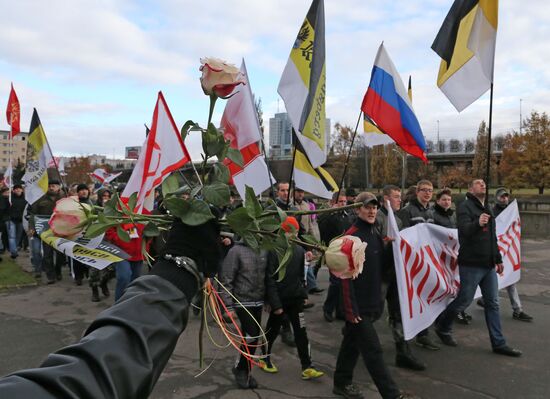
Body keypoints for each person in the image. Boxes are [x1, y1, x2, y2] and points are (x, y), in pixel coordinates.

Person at [0, 215, 222, 398]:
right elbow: (89, 381)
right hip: (134, 266)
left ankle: (124, 302)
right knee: (125, 279)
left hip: (139, 260)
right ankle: (119, 301)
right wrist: (177, 270)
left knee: (133, 279)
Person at [333, 192, 412, 399]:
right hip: (357, 308)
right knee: (373, 351)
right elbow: (344, 278)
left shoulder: (375, 232)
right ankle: (392, 394)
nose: (372, 211)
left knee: (351, 345)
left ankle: (341, 382)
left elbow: (380, 267)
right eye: (367, 207)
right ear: (357, 209)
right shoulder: (351, 237)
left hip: (369, 303)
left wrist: (390, 249)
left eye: (375, 207)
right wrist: (351, 312)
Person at [435, 179, 522, 357]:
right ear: (470, 188)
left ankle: (499, 343)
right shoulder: (464, 206)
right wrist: (478, 223)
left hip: (488, 264)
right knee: (464, 300)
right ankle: (443, 325)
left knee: (493, 303)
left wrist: (497, 258)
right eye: (478, 183)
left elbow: (492, 237)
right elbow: (464, 231)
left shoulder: (487, 207)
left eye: (484, 183)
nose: (482, 184)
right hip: (471, 263)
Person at [377, 185, 426, 371]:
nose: (400, 200)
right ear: (386, 199)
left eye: (400, 197)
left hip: (396, 274)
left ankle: (402, 352)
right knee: (373, 312)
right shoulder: (378, 218)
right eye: (396, 197)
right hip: (381, 275)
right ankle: (355, 342)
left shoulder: (398, 219)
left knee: (398, 313)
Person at [260, 242, 324, 381]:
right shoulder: (273, 250)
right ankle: (264, 358)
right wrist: (275, 304)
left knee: (301, 332)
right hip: (280, 300)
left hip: (295, 300)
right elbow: (270, 278)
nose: (291, 235)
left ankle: (307, 366)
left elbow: (302, 276)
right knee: (272, 331)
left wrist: (303, 295)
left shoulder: (299, 250)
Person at [219, 241, 274, 389]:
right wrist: (228, 307)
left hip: (258, 301)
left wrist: (269, 299)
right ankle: (241, 369)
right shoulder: (236, 251)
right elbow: (226, 279)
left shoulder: (265, 249)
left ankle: (244, 369)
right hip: (241, 301)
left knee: (251, 338)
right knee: (252, 336)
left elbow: (268, 276)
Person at [476, 188, 533, 322]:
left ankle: (517, 309)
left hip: (505, 251)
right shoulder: (492, 212)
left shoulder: (511, 212)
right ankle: (477, 301)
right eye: (502, 197)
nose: (505, 199)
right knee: (491, 279)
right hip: (495, 250)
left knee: (510, 280)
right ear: (497, 198)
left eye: (506, 197)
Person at [398, 180, 439, 351]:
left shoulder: (431, 211)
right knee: (410, 299)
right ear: (417, 192)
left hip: (427, 260)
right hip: (412, 262)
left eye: (430, 190)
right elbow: (405, 236)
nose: (428, 193)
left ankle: (423, 334)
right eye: (424, 190)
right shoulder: (407, 211)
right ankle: (406, 334)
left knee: (425, 297)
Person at [431, 188, 471, 325]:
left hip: (453, 254)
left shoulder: (453, 215)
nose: (447, 202)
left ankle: (457, 310)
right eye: (443, 199)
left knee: (455, 283)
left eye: (448, 199)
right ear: (437, 201)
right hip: (440, 255)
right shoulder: (433, 214)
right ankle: (441, 313)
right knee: (442, 285)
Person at [319, 192, 352, 322]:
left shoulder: (347, 216)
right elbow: (322, 226)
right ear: (333, 203)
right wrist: (330, 213)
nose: (343, 204)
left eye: (344, 202)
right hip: (333, 252)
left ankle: (340, 310)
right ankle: (328, 308)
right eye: (340, 202)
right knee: (336, 283)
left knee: (343, 283)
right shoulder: (327, 216)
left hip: (345, 253)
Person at [29, 180, 65, 284]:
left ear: (59, 187)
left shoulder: (64, 199)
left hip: (60, 231)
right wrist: (32, 227)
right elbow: (33, 214)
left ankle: (58, 270)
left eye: (53, 186)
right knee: (47, 254)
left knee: (60, 254)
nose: (51, 187)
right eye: (49, 186)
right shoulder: (40, 199)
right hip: (46, 231)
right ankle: (51, 276)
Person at [293, 188, 323, 295]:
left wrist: (313, 239)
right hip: (295, 238)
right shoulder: (291, 206)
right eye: (298, 192)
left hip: (304, 237)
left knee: (307, 262)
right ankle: (309, 286)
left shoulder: (306, 205)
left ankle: (311, 285)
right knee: (302, 263)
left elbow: (310, 224)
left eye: (302, 192)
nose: (301, 194)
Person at [88, 188, 114, 302]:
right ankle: (94, 289)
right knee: (94, 268)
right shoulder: (94, 208)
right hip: (96, 242)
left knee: (109, 269)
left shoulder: (113, 209)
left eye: (108, 196)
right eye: (104, 196)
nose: (106, 198)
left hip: (109, 242)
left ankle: (103, 283)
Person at [72, 184, 92, 286]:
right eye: (81, 190)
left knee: (88, 255)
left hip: (89, 233)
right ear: (78, 192)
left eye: (85, 190)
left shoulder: (92, 203)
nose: (84, 192)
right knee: (77, 255)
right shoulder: (74, 203)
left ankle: (88, 273)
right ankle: (78, 276)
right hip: (76, 232)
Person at [6, 184, 27, 259]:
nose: (18, 190)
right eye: (16, 189)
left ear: (22, 190)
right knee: (12, 237)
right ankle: (14, 252)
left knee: (18, 236)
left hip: (21, 220)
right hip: (11, 220)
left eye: (19, 189)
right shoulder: (9, 199)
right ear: (13, 190)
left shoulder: (25, 199)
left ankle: (15, 248)